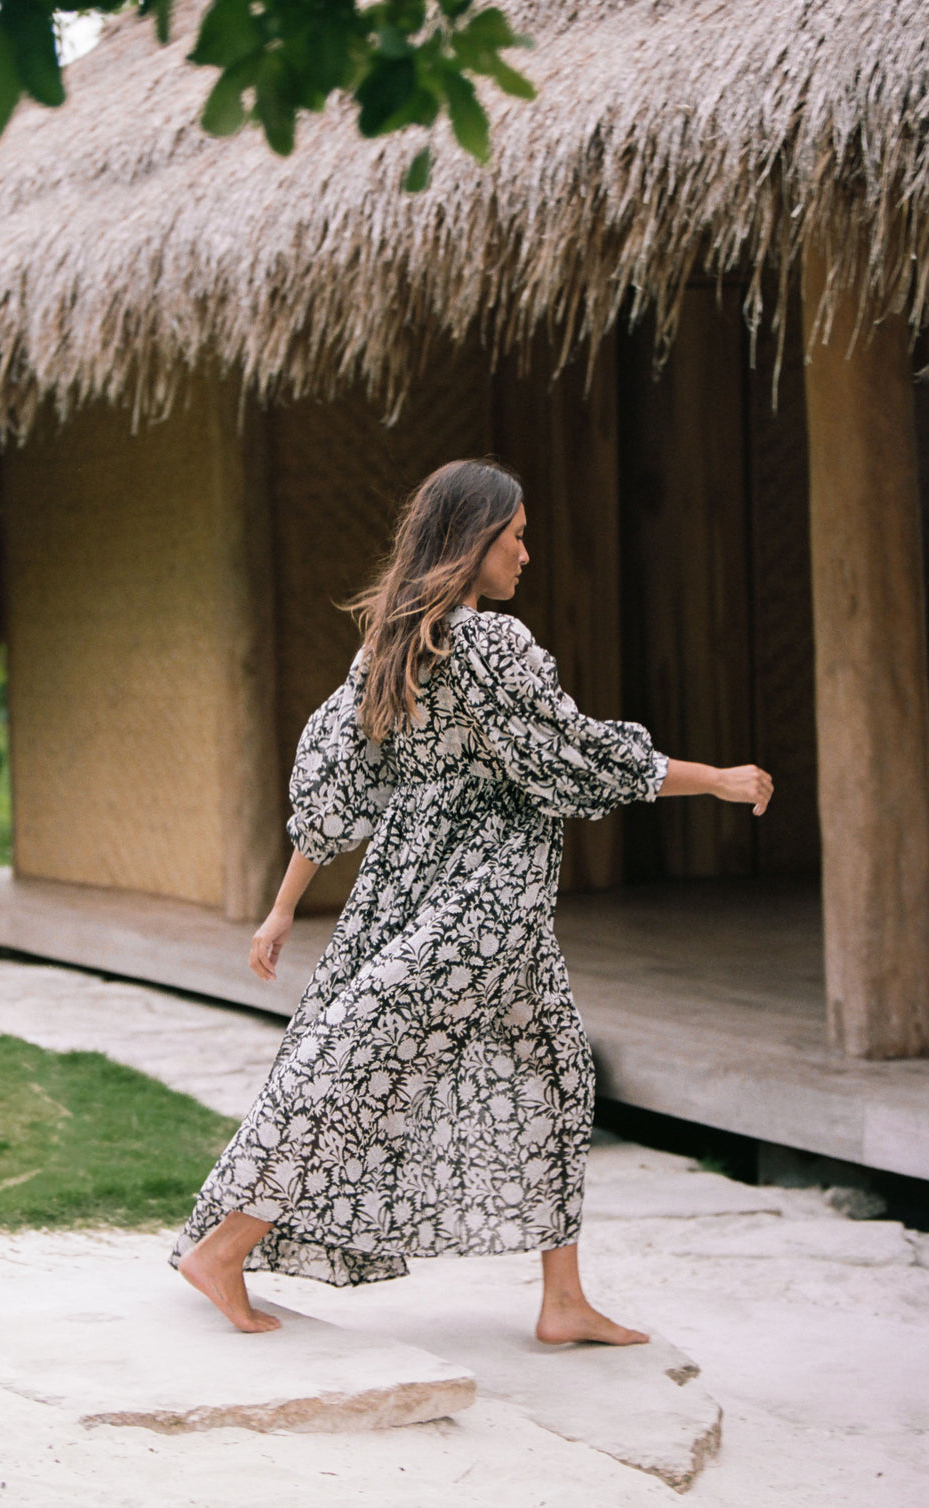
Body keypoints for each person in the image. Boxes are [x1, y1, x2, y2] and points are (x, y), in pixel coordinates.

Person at [170, 458, 773, 1341]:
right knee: (358, 1063)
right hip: (477, 908)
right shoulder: (486, 646)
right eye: (517, 536)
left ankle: (563, 1301)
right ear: (472, 540)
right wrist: (714, 778)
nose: (528, 554)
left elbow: (337, 788)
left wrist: (280, 906)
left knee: (559, 1072)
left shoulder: (392, 643)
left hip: (456, 904)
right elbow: (579, 756)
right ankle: (226, 1247)